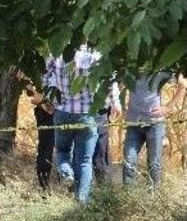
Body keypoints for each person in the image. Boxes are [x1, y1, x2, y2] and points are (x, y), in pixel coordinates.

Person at [44, 45, 117, 203]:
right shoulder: (95, 55)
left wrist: (48, 100)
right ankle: (82, 200)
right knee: (84, 160)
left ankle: (66, 174)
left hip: (62, 112)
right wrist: (114, 103)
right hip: (87, 114)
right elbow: (108, 82)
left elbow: (46, 77)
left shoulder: (56, 53)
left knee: (62, 151)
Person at [123, 73, 187, 186]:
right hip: (134, 123)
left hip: (155, 123)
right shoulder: (130, 69)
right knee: (129, 160)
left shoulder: (161, 71)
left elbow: (183, 85)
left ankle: (153, 194)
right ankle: (128, 193)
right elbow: (117, 86)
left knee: (154, 163)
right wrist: (121, 106)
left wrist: (167, 107)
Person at [24, 81, 56, 190]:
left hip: (53, 111)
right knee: (46, 149)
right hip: (46, 113)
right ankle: (44, 184)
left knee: (50, 148)